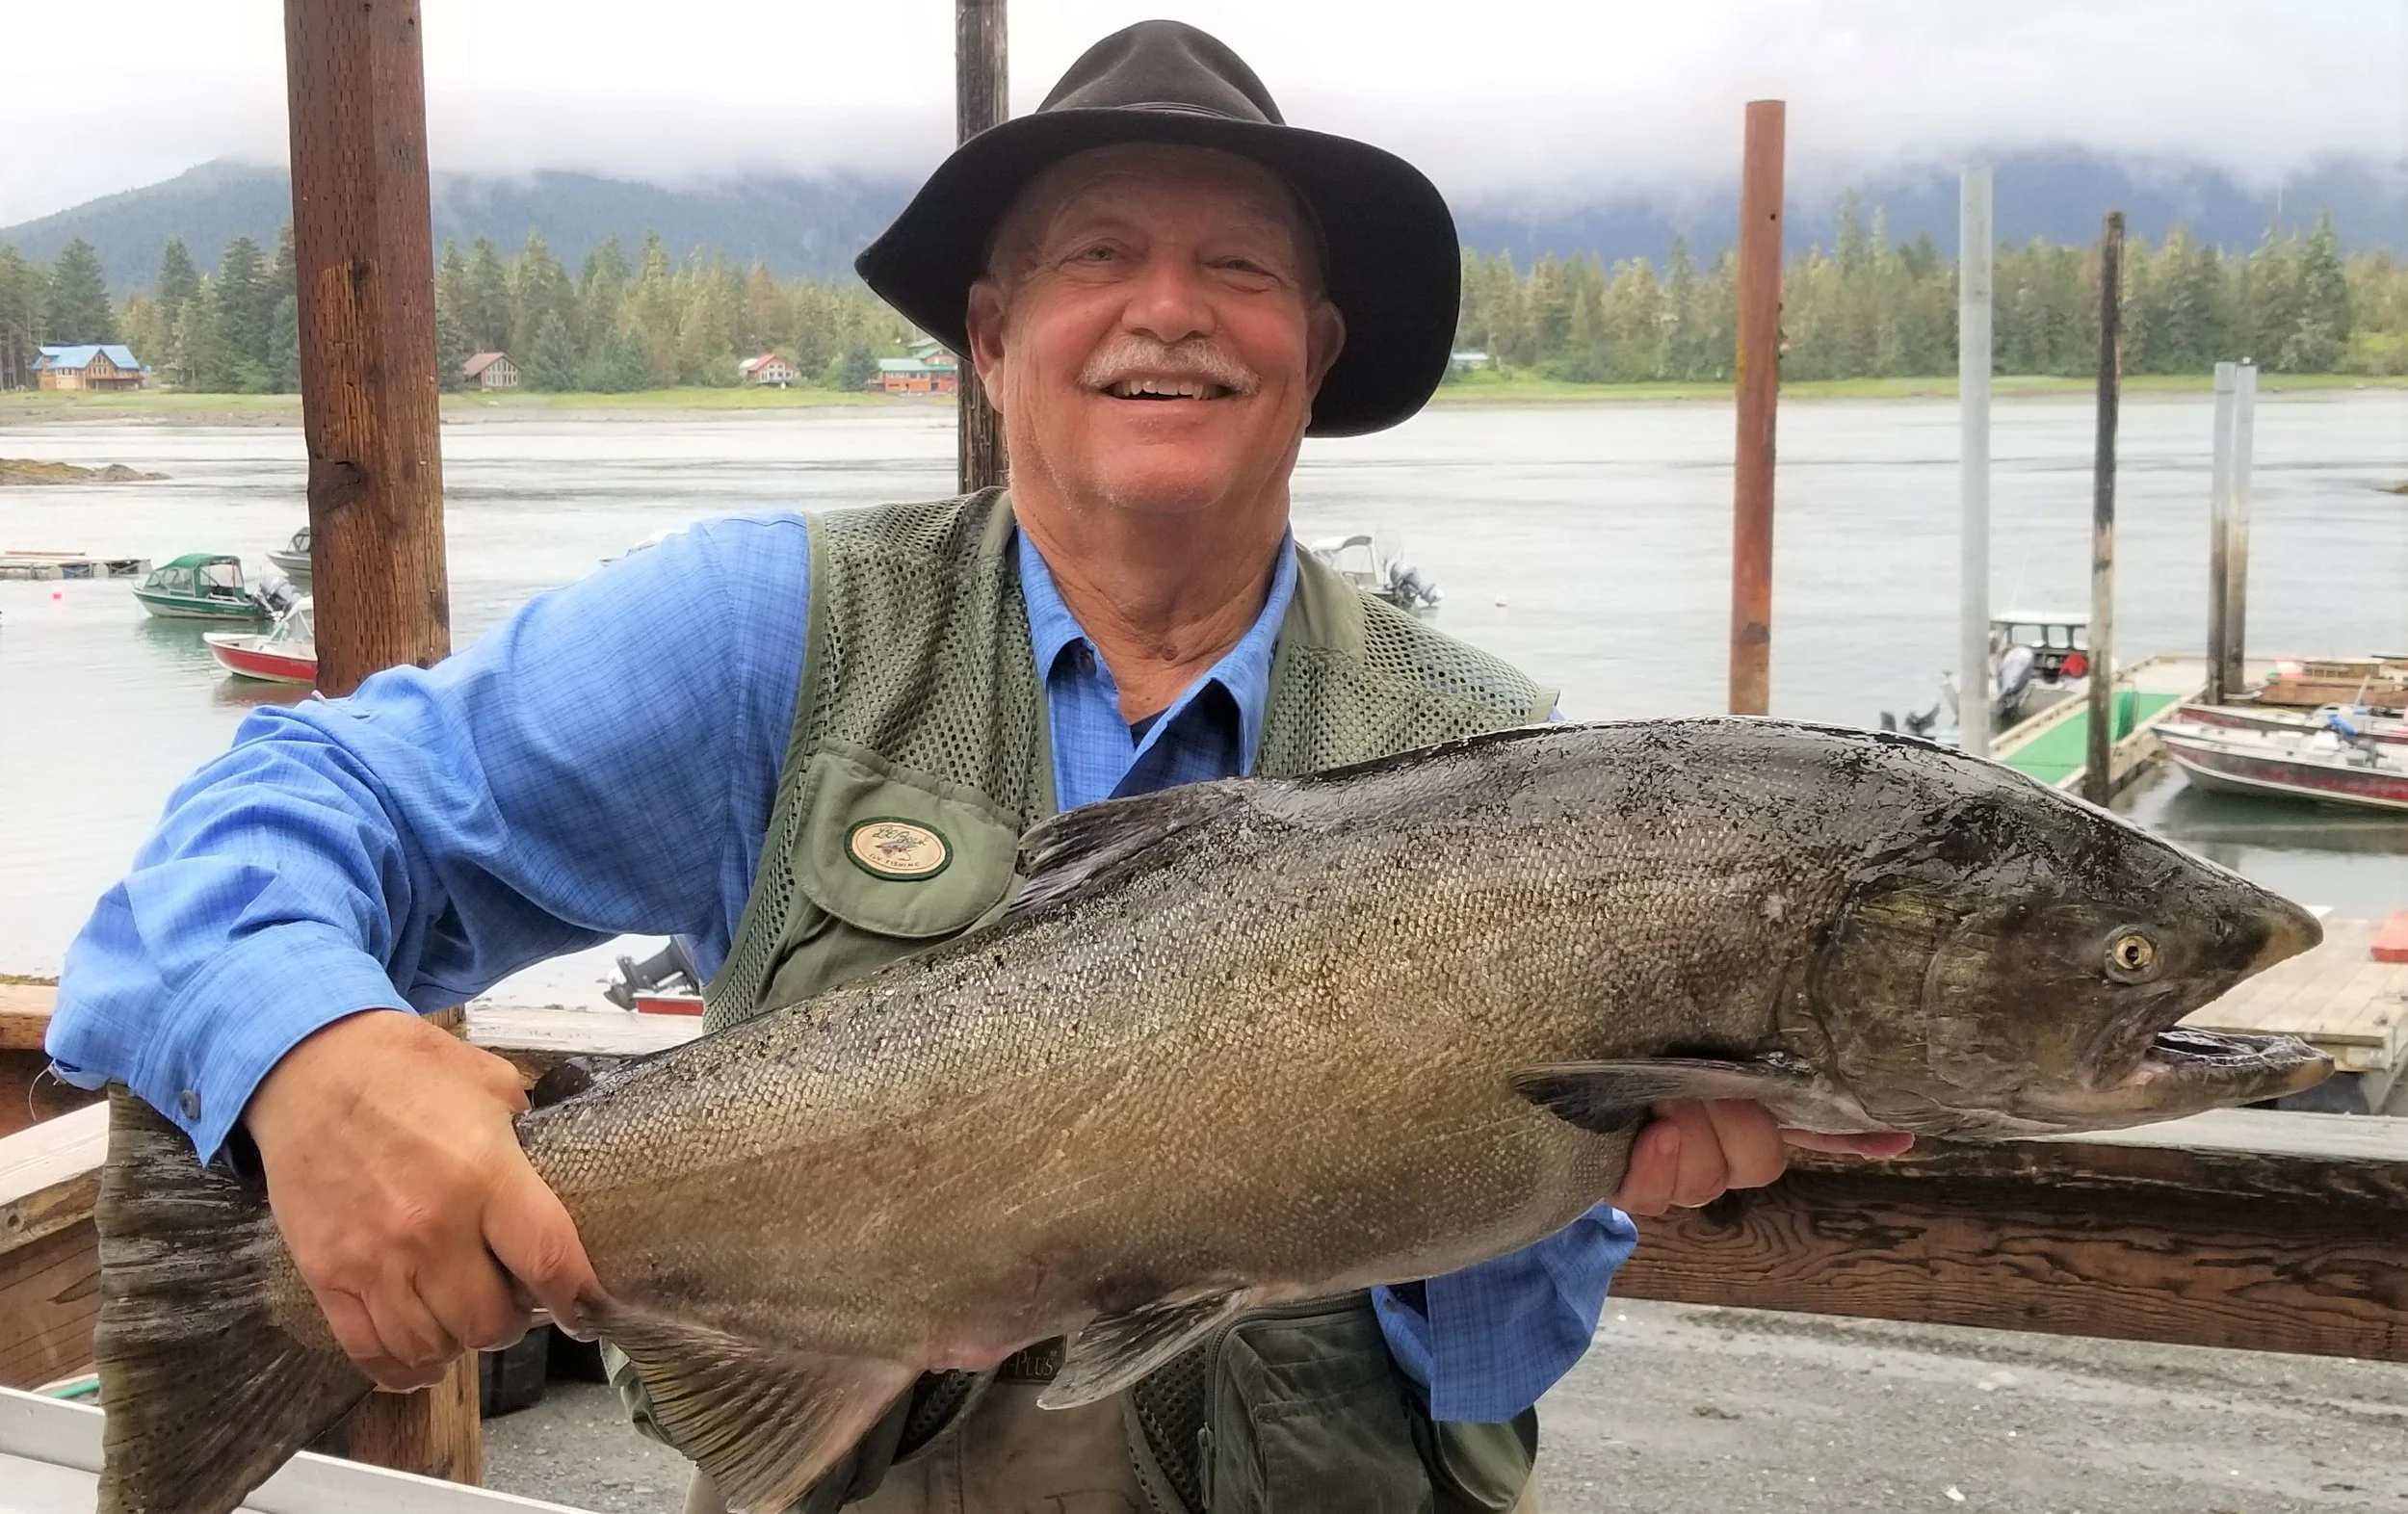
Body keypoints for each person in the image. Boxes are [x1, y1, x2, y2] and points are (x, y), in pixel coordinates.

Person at [47, 21, 1904, 1514]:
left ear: (1314, 353)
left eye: (1238, 268)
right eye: (1100, 256)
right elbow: (278, 820)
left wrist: (1580, 1178)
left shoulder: (1477, 748)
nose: (1168, 308)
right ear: (997, 344)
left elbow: (1486, 1383)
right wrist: (309, 1051)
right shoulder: (768, 637)